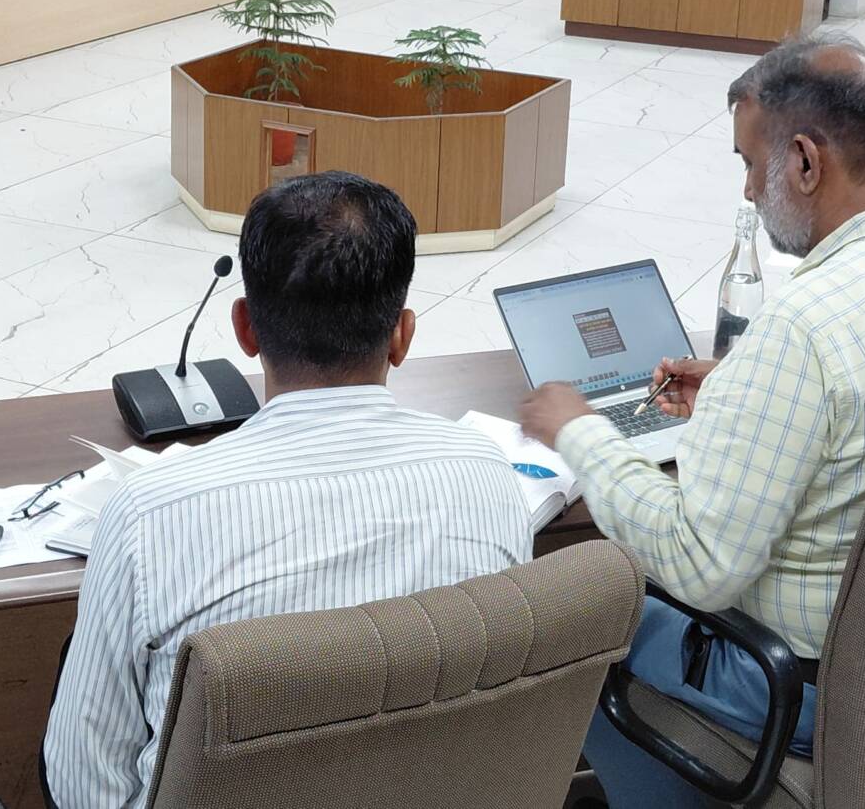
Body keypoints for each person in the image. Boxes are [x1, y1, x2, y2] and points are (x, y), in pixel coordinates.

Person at [516, 34, 865, 806]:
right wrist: (745, 390)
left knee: (570, 620)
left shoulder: (805, 324)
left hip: (804, 686)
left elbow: (701, 565)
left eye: (749, 163)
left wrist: (578, 430)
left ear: (805, 161)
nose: (747, 192)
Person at [43, 171, 531, 808]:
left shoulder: (150, 513)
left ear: (245, 329)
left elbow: (83, 787)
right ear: (402, 335)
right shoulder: (486, 473)